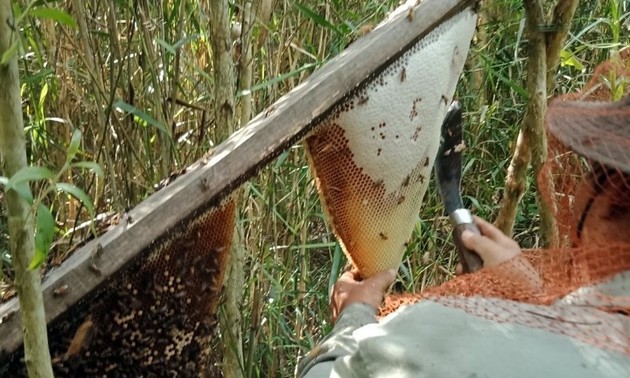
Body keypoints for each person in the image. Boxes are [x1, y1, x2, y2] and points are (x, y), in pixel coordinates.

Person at [297, 95, 630, 377]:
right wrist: (535, 297)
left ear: (611, 192)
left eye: (590, 169)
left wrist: (351, 320)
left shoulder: (444, 333)